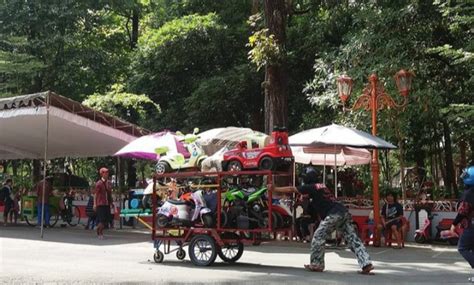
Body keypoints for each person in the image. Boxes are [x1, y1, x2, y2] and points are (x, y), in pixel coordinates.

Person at [274, 168, 374, 274]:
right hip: (343, 212)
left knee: (318, 236)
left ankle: (317, 264)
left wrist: (275, 189)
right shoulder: (321, 186)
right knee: (352, 239)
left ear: (309, 178)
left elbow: (291, 189)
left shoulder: (312, 187)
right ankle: (366, 263)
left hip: (334, 214)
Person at [451, 165, 474, 282]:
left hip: (471, 227)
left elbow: (462, 212)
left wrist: (454, 224)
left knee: (462, 247)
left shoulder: (469, 194)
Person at [94, 167, 112, 239]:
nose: (107, 174)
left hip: (107, 203)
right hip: (101, 204)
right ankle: (99, 232)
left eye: (107, 173)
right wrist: (95, 204)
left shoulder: (109, 183)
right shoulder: (99, 183)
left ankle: (99, 229)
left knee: (106, 220)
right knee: (102, 220)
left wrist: (111, 202)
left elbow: (109, 193)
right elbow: (95, 194)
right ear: (102, 174)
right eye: (105, 173)